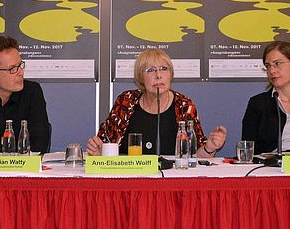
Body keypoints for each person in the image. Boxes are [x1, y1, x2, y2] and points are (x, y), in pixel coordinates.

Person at [87, 49, 226, 156]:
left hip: (172, 182)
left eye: (164, 69)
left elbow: (195, 156)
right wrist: (99, 152)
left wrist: (210, 147)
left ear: (170, 75)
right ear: (141, 77)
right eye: (151, 70)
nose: (158, 75)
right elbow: (104, 145)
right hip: (131, 178)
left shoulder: (184, 105)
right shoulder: (126, 101)